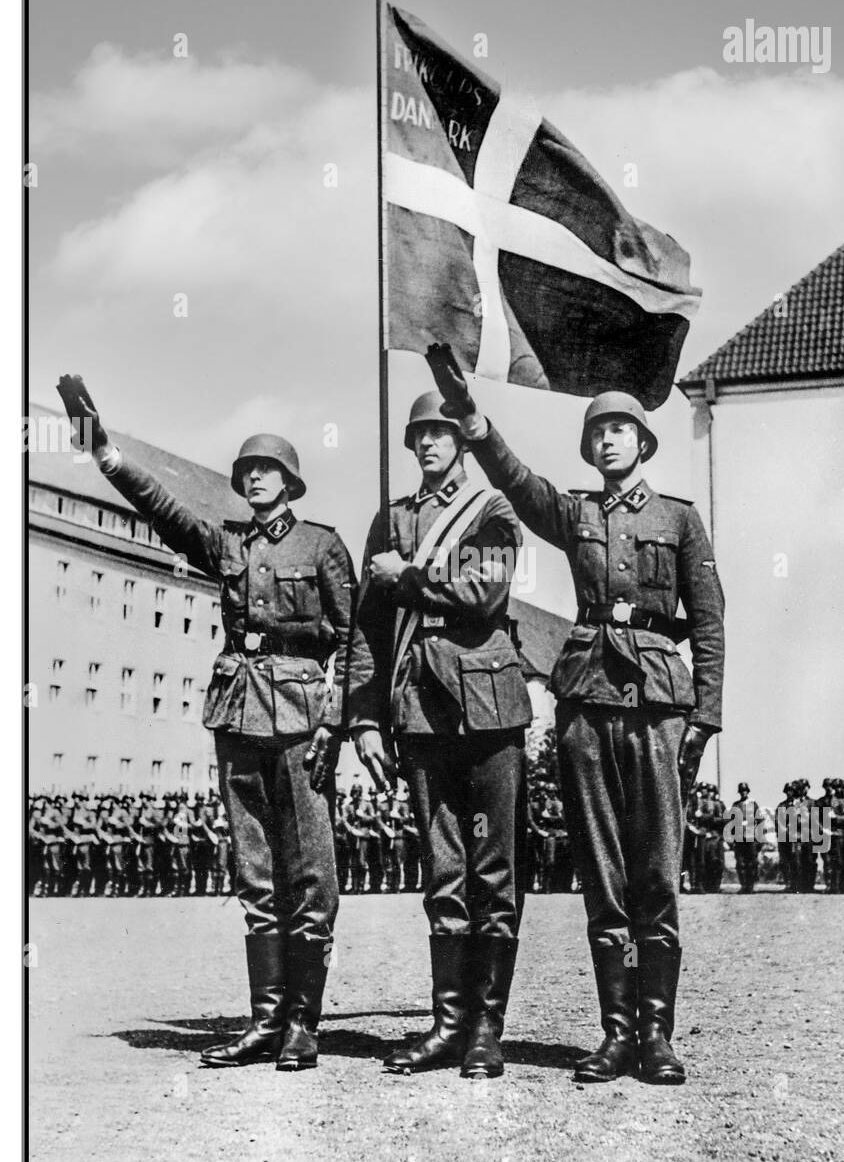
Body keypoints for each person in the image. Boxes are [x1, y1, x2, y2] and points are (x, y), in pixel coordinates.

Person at [425, 345, 724, 1084]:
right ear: (589, 448)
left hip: (658, 703)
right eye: (599, 433)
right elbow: (517, 484)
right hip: (586, 701)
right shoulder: (576, 511)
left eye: (622, 430)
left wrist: (705, 717)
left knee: (656, 870)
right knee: (603, 872)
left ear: (643, 444)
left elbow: (710, 619)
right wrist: (474, 419)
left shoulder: (681, 520)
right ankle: (616, 1033)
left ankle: (657, 1037)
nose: (610, 439)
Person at [57, 375, 361, 1073]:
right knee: (255, 872)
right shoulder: (226, 545)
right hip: (236, 712)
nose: (255, 479)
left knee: (310, 872)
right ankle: (264, 1019)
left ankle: (302, 1026)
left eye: (268, 470)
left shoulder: (322, 547)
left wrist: (334, 725)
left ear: (290, 481)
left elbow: (353, 642)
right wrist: (105, 454)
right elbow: (164, 509)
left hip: (301, 720)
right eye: (247, 470)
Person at [348, 388, 532, 1080]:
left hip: (488, 706)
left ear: (461, 442)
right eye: (418, 435)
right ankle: (447, 1024)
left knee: (493, 870)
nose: (427, 444)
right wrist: (365, 719)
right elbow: (365, 630)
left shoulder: (491, 511)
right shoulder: (390, 520)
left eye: (440, 433)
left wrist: (409, 576)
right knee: (444, 873)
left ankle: (487, 1029)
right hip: (419, 710)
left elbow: (483, 594)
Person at [728, 782, 760, 893]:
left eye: (745, 791)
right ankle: (743, 885)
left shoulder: (753, 804)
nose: (743, 793)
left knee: (751, 863)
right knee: (740, 863)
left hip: (751, 838)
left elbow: (760, 821)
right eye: (741, 791)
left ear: (748, 791)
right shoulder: (736, 805)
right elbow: (731, 822)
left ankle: (750, 886)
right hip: (739, 837)